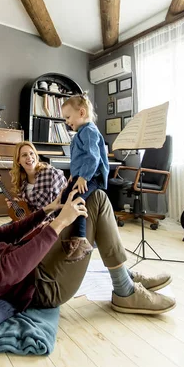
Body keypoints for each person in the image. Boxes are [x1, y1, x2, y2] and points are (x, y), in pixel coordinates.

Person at [0, 185, 176, 315]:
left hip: (38, 266)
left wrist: (50, 209)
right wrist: (61, 222)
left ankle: (124, 278)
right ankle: (125, 291)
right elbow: (9, 270)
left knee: (88, 197)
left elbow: (8, 232)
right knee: (96, 202)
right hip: (43, 285)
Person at [59, 93, 109, 262]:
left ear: (81, 113)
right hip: (82, 174)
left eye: (68, 117)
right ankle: (65, 232)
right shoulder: (81, 132)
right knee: (65, 196)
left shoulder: (89, 131)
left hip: (92, 176)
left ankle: (81, 240)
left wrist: (84, 178)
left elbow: (92, 157)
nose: (66, 121)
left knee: (76, 200)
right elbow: (79, 158)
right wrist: (74, 175)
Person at [10, 140, 67, 211]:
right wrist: (17, 204)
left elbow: (63, 201)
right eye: (24, 155)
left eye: (31, 153)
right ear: (18, 161)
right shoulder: (22, 183)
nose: (29, 157)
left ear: (36, 156)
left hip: (54, 219)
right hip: (36, 220)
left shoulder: (51, 173)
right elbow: (29, 209)